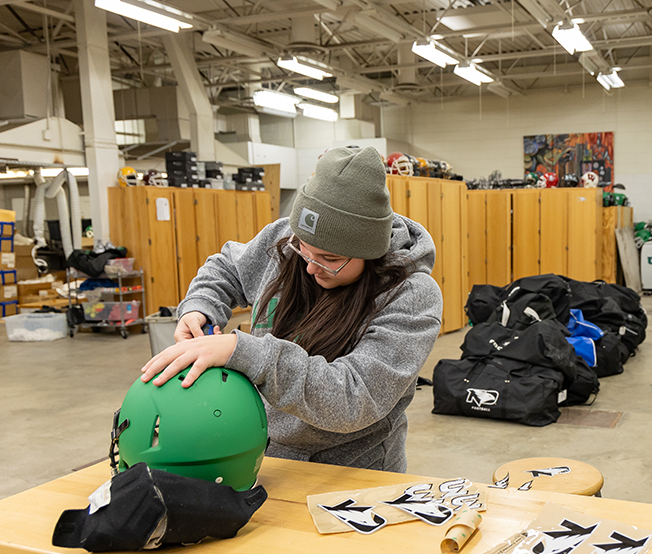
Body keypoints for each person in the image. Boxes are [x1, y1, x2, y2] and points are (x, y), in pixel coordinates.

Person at [139, 146, 443, 472]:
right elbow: (226, 268)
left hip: (353, 472)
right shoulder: (286, 239)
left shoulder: (411, 296)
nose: (311, 267)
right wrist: (200, 308)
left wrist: (245, 352)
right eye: (304, 250)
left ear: (370, 251)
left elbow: (353, 399)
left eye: (331, 259)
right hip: (265, 456)